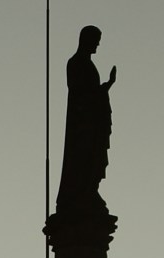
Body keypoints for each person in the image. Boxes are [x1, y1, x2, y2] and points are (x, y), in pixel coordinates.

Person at [56, 25, 117, 215]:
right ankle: (81, 192)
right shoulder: (75, 63)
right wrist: (101, 91)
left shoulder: (87, 64)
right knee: (82, 160)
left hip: (92, 123)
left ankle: (89, 190)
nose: (98, 44)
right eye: (96, 40)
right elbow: (80, 94)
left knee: (92, 159)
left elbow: (90, 93)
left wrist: (106, 86)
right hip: (82, 126)